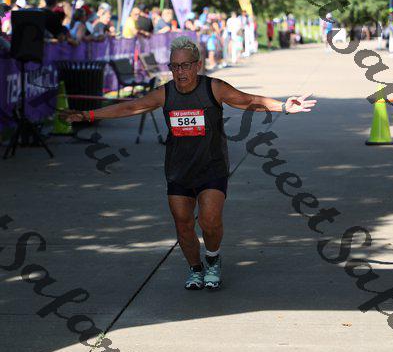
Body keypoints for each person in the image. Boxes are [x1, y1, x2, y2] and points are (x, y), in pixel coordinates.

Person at [61, 36, 317, 291]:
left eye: (185, 65)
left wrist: (283, 106)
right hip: (178, 169)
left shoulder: (213, 88)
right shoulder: (165, 93)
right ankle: (195, 268)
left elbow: (247, 100)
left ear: (197, 65)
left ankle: (213, 260)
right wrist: (88, 114)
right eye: (174, 66)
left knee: (209, 220)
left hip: (212, 166)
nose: (180, 72)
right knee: (183, 224)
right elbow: (131, 108)